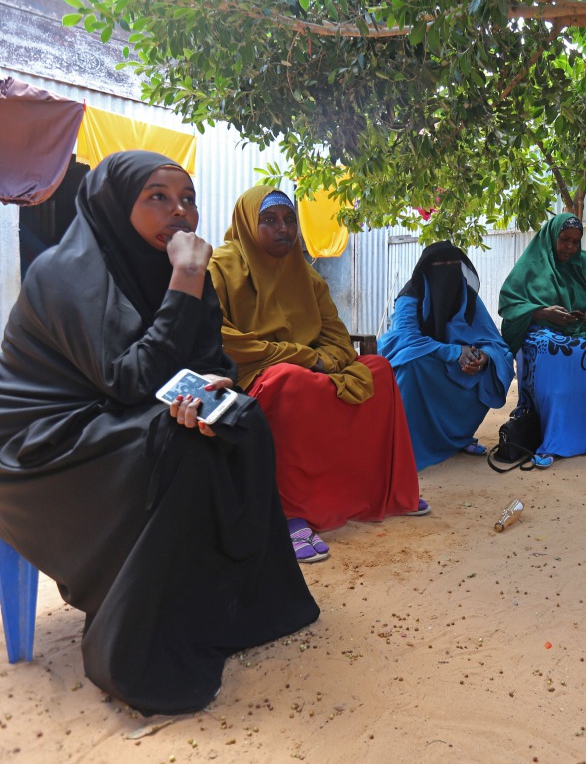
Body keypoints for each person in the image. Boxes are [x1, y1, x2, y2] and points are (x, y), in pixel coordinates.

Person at [0, 151, 318, 715]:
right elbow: (128, 379)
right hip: (41, 444)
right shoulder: (66, 271)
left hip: (118, 412)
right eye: (158, 197)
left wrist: (215, 388)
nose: (179, 212)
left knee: (242, 421)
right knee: (178, 445)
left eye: (188, 199)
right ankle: (138, 639)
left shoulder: (178, 269)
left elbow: (208, 358)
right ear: (115, 205)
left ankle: (237, 605)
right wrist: (187, 279)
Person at [208, 186, 425, 562]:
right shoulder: (222, 266)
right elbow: (221, 337)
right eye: (270, 220)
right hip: (251, 374)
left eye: (290, 220)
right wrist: (300, 357)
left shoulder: (306, 275)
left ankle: (384, 493)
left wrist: (325, 360)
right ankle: (291, 515)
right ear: (247, 222)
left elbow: (336, 335)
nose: (283, 229)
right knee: (289, 383)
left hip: (310, 368)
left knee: (379, 370)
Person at [497, 212, 586, 469]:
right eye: (565, 240)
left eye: (576, 241)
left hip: (581, 329)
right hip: (541, 330)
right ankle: (552, 439)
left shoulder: (583, 262)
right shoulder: (532, 263)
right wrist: (541, 312)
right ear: (552, 237)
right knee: (553, 350)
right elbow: (508, 303)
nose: (570, 247)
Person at [378, 241, 515, 469]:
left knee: (491, 366)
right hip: (425, 363)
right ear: (426, 269)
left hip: (457, 367)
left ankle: (457, 439)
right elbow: (405, 338)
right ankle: (406, 447)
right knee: (413, 364)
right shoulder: (411, 294)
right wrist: (453, 352)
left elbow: (494, 341)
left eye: (452, 265)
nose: (446, 271)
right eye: (440, 265)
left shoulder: (465, 295)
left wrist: (484, 357)